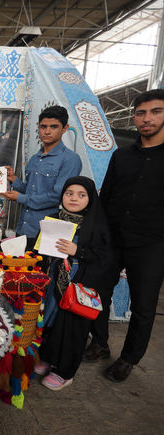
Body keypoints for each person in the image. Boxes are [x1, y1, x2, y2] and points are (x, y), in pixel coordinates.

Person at [84, 89, 164, 383]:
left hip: (152, 244)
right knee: (97, 294)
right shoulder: (122, 155)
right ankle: (100, 343)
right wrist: (98, 236)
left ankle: (130, 358)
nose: (147, 119)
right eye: (141, 113)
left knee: (143, 306)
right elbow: (106, 200)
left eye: (156, 111)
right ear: (134, 117)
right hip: (115, 239)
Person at [33, 177, 111, 390]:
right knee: (51, 322)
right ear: (62, 196)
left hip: (78, 285)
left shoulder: (96, 224)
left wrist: (79, 252)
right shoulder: (54, 218)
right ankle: (48, 358)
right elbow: (41, 247)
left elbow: (106, 257)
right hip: (53, 284)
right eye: (69, 193)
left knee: (71, 327)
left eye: (81, 194)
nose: (74, 198)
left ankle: (64, 372)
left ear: (90, 198)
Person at [4, 106, 82, 249]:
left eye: (53, 127)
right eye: (43, 126)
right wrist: (14, 180)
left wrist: (20, 198)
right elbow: (29, 190)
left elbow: (57, 196)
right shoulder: (35, 158)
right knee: (20, 269)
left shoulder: (70, 159)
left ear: (65, 128)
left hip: (47, 234)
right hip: (23, 228)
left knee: (42, 271)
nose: (47, 131)